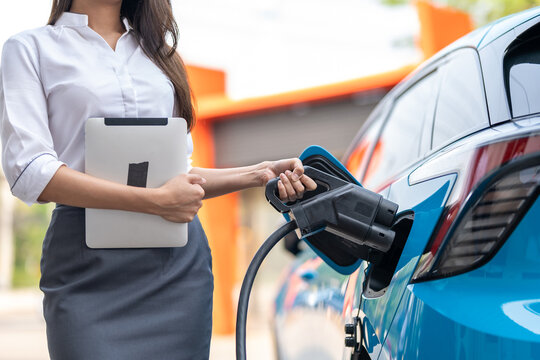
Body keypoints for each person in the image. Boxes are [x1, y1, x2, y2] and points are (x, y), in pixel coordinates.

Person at [0, 0, 317, 359]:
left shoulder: (160, 56)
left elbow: (177, 175)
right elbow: (31, 171)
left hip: (176, 269)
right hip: (85, 265)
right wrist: (155, 201)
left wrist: (258, 173)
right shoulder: (30, 49)